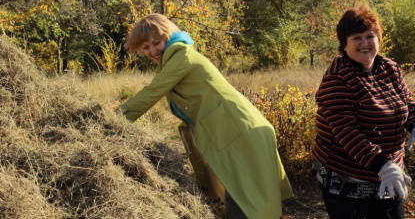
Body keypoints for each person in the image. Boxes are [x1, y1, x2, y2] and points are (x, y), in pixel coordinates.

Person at [116, 13, 293, 219]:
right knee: (242, 200)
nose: (152, 51)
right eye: (145, 47)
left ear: (169, 36)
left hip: (239, 132)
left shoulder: (182, 57)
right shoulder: (172, 60)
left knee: (249, 205)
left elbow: (151, 92)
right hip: (229, 132)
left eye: (156, 43)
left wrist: (113, 119)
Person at [312, 6, 415, 219]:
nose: (365, 43)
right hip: (347, 177)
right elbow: (345, 131)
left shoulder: (389, 67)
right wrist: (381, 164)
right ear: (344, 43)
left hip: (390, 173)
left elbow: (406, 101)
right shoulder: (338, 77)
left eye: (370, 36)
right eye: (357, 38)